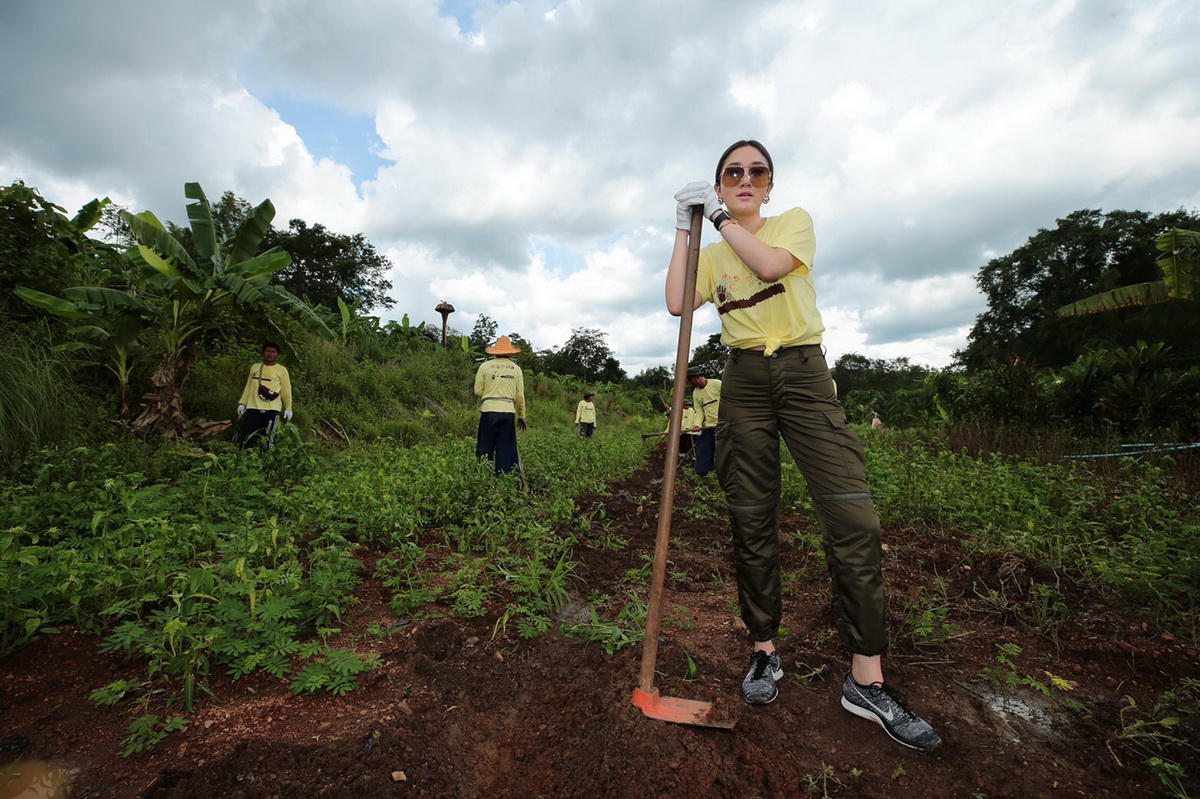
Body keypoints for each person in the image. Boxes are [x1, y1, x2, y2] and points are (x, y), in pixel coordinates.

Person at [665, 140, 940, 751]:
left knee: (853, 517)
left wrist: (715, 218)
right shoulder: (711, 250)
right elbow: (679, 302)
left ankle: (866, 679)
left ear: (769, 184)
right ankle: (764, 650)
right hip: (744, 380)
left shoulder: (792, 223)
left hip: (804, 373)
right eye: (732, 172)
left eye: (756, 172)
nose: (745, 178)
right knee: (750, 515)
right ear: (718, 183)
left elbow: (769, 268)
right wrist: (683, 231)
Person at [473, 335, 527, 474]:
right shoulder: (516, 369)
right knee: (506, 445)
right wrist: (522, 416)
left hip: (489, 410)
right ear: (510, 352)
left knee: (485, 444)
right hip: (508, 411)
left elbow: (477, 390)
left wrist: (491, 395)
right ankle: (504, 474)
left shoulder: (485, 366)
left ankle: (483, 473)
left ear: (495, 351)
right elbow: (520, 396)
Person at [236, 341, 293, 449]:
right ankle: (246, 456)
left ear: (277, 355)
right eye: (267, 351)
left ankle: (266, 457)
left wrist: (288, 407)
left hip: (271, 409)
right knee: (248, 436)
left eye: (273, 352)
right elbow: (249, 385)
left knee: (268, 438)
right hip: (252, 407)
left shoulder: (282, 370)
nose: (270, 354)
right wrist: (242, 403)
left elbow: (286, 389)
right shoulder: (255, 367)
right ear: (263, 352)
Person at [686, 367, 721, 476]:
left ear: (697, 377)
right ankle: (703, 472)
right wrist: (697, 424)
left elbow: (730, 400)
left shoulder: (717, 384)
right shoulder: (696, 393)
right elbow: (699, 411)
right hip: (709, 425)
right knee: (702, 444)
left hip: (723, 423)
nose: (690, 383)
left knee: (724, 449)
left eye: (691, 380)